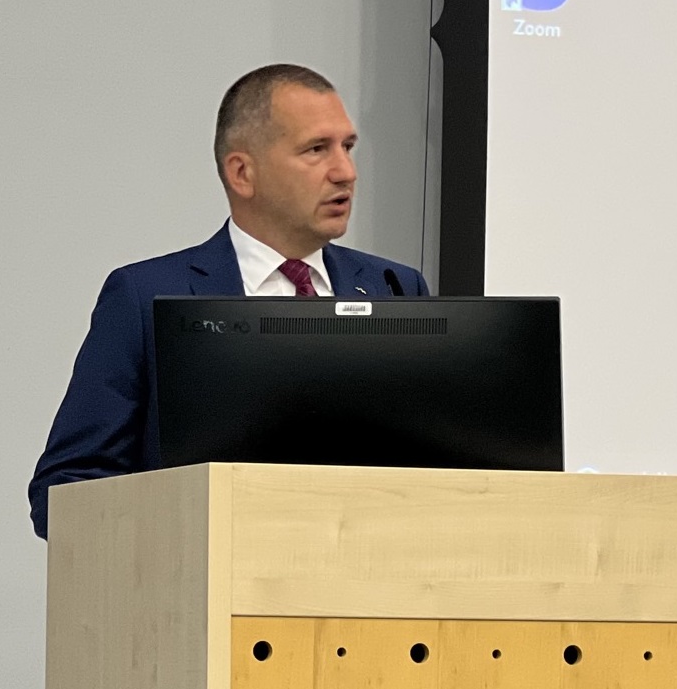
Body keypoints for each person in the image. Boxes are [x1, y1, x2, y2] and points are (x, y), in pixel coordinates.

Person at [27, 63, 429, 538]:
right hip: (206, 576)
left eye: (348, 147)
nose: (346, 172)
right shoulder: (146, 297)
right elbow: (64, 490)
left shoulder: (394, 288)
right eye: (316, 149)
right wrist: (189, 530)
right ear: (242, 173)